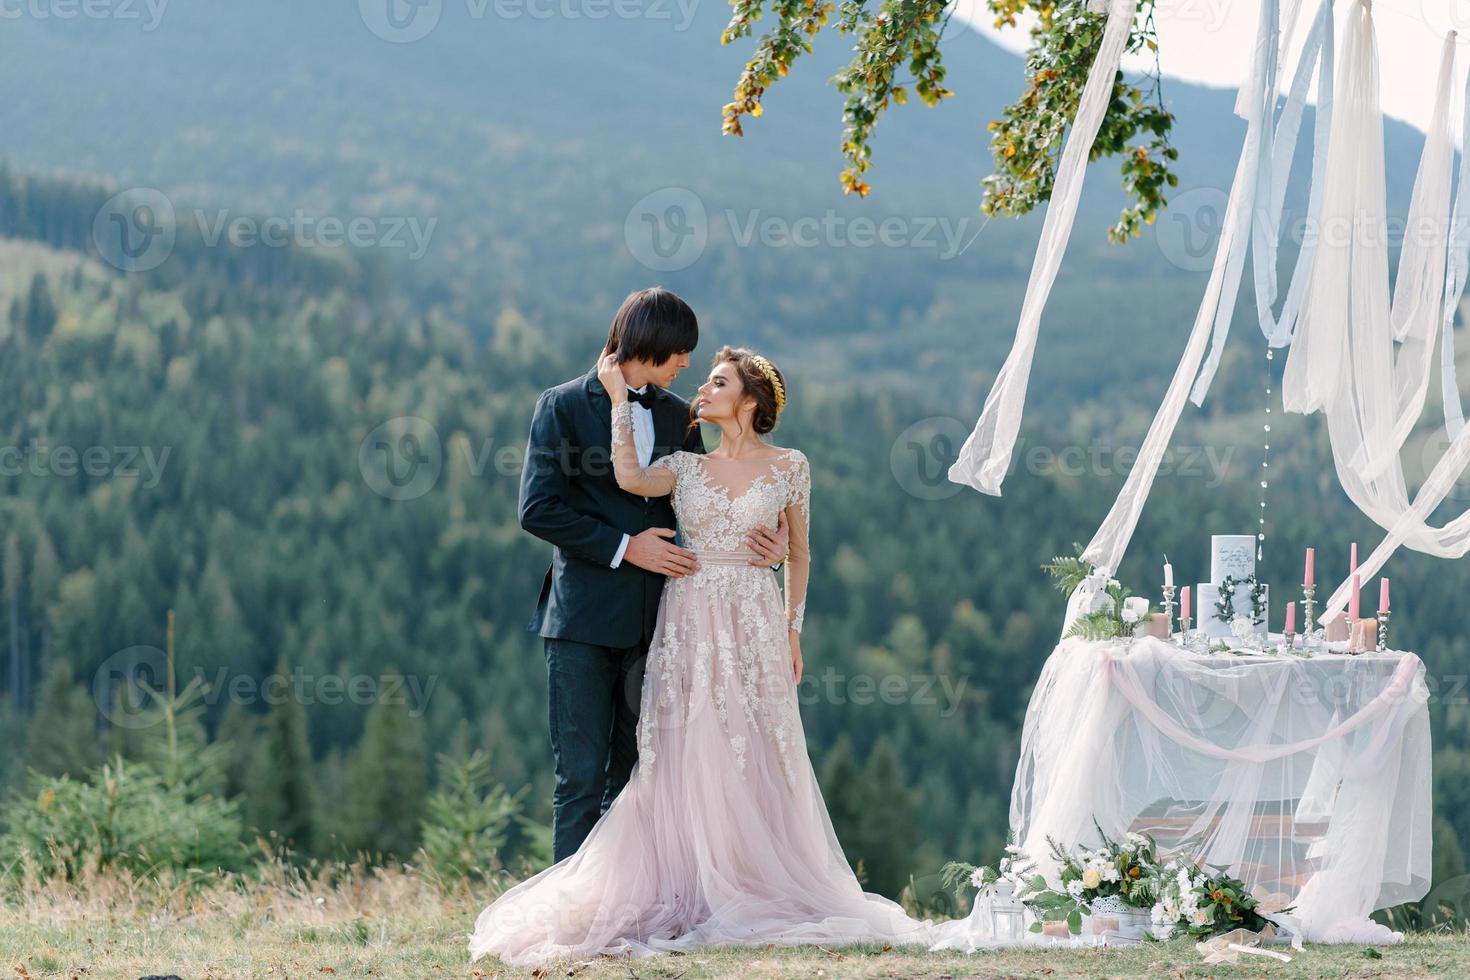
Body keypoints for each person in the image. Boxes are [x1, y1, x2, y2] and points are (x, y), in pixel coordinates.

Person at [471, 344, 932, 966]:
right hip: (687, 613)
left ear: (748, 401)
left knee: (753, 745)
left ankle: (749, 878)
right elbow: (630, 479)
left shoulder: (791, 465)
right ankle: (671, 881)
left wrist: (792, 630)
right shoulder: (686, 465)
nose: (702, 390)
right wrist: (613, 401)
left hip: (754, 619)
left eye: (718, 382)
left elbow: (800, 551)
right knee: (679, 747)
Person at [516, 287, 788, 863]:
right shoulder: (560, 406)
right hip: (582, 623)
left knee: (643, 779)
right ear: (652, 344)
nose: (688, 364)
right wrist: (623, 547)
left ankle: (631, 910)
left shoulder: (677, 416)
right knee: (581, 781)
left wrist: (773, 542)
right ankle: (573, 916)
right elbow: (537, 509)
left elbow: (715, 496)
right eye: (680, 352)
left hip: (663, 626)